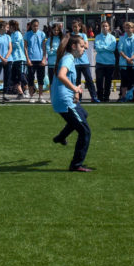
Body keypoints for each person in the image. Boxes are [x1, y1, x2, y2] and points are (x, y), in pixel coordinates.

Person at [50, 34, 93, 172]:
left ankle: (61, 137)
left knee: (83, 115)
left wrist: (75, 91)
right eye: (81, 46)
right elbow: (61, 75)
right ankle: (76, 165)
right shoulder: (68, 58)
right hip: (64, 101)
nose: (84, 49)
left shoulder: (69, 58)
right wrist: (74, 88)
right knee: (85, 131)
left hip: (65, 99)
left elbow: (66, 78)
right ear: (73, 47)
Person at [70, 20, 99, 103]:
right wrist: (78, 45)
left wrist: (76, 45)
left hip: (84, 62)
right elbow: (69, 47)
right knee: (77, 81)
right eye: (73, 26)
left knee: (89, 79)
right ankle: (78, 97)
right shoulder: (70, 36)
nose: (75, 28)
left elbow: (86, 46)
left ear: (79, 27)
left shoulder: (83, 35)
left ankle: (94, 96)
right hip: (74, 62)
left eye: (76, 26)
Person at [117, 20, 134, 103]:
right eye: (126, 28)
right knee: (124, 82)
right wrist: (127, 59)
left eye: (130, 28)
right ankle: (123, 97)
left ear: (133, 29)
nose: (128, 29)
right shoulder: (122, 38)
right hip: (124, 63)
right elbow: (120, 50)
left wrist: (132, 59)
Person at [93, 20, 117, 102]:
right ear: (101, 27)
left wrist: (102, 47)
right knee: (99, 81)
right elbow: (97, 48)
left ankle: (106, 97)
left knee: (108, 82)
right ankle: (100, 97)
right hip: (100, 62)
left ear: (109, 27)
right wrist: (106, 48)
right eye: (103, 26)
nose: (105, 27)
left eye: (106, 26)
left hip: (110, 63)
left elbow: (112, 48)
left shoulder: (112, 38)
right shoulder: (97, 37)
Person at [24, 19, 47, 103]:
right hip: (31, 60)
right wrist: (27, 59)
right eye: (34, 26)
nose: (35, 27)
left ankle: (41, 96)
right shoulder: (27, 34)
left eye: (37, 26)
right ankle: (31, 96)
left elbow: (44, 47)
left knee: (41, 78)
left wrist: (44, 59)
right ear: (31, 26)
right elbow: (25, 47)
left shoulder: (42, 34)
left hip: (40, 60)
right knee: (30, 78)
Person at [45, 23, 63, 87]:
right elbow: (48, 52)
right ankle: (52, 96)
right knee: (52, 83)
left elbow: (62, 51)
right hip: (51, 65)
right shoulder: (49, 39)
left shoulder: (61, 39)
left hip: (60, 64)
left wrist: (53, 50)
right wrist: (56, 50)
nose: (56, 32)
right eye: (54, 30)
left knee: (60, 83)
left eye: (57, 30)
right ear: (52, 30)